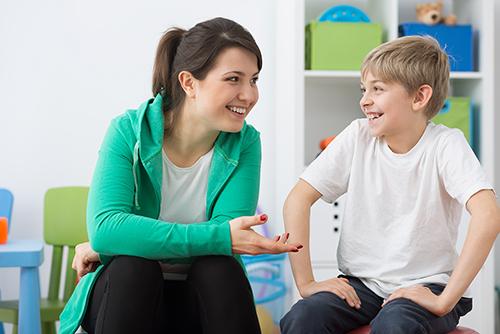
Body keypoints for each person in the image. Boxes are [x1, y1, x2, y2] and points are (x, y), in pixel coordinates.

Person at [60, 17, 302, 334]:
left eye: (254, 80)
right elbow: (108, 228)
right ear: (188, 83)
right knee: (134, 269)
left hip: (200, 300)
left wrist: (112, 244)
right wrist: (108, 243)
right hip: (127, 297)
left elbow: (230, 234)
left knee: (219, 269)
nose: (249, 94)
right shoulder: (128, 131)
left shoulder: (246, 142)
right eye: (233, 79)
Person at [280, 35, 500, 334]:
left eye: (378, 89)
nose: (364, 100)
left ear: (419, 97)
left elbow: (488, 217)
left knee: (394, 324)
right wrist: (306, 283)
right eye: (364, 89)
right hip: (362, 286)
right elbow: (297, 199)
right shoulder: (357, 136)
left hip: (427, 286)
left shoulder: (446, 145)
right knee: (303, 317)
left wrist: (445, 300)